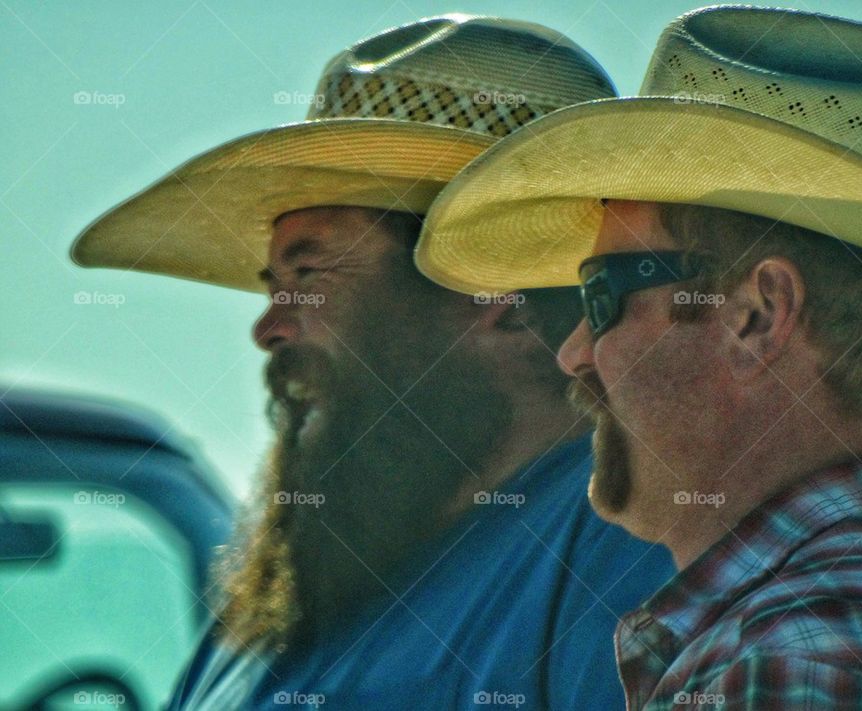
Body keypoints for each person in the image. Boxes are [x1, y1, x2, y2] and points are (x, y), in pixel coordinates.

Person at [70, 15, 676, 710]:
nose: (268, 328)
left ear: (497, 293)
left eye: (310, 273)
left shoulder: (625, 555)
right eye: (273, 285)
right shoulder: (281, 603)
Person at [415, 6, 862, 709]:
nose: (575, 351)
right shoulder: (861, 628)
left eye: (603, 294)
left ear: (757, 316)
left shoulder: (795, 663)